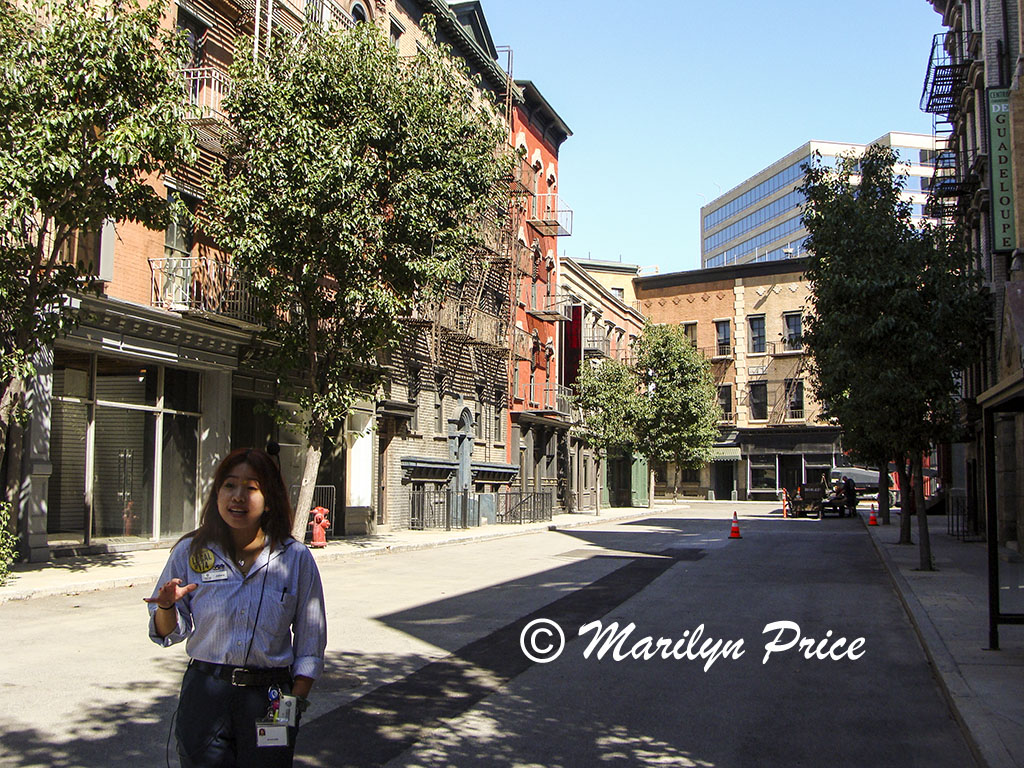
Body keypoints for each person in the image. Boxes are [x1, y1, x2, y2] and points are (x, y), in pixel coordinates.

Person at [145, 447, 327, 767]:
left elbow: (311, 639)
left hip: (270, 696)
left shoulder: (295, 558)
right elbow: (168, 633)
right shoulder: (191, 551)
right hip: (205, 691)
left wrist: (294, 699)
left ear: (268, 499)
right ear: (217, 494)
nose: (238, 497)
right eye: (229, 486)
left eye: (251, 488)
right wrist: (165, 607)